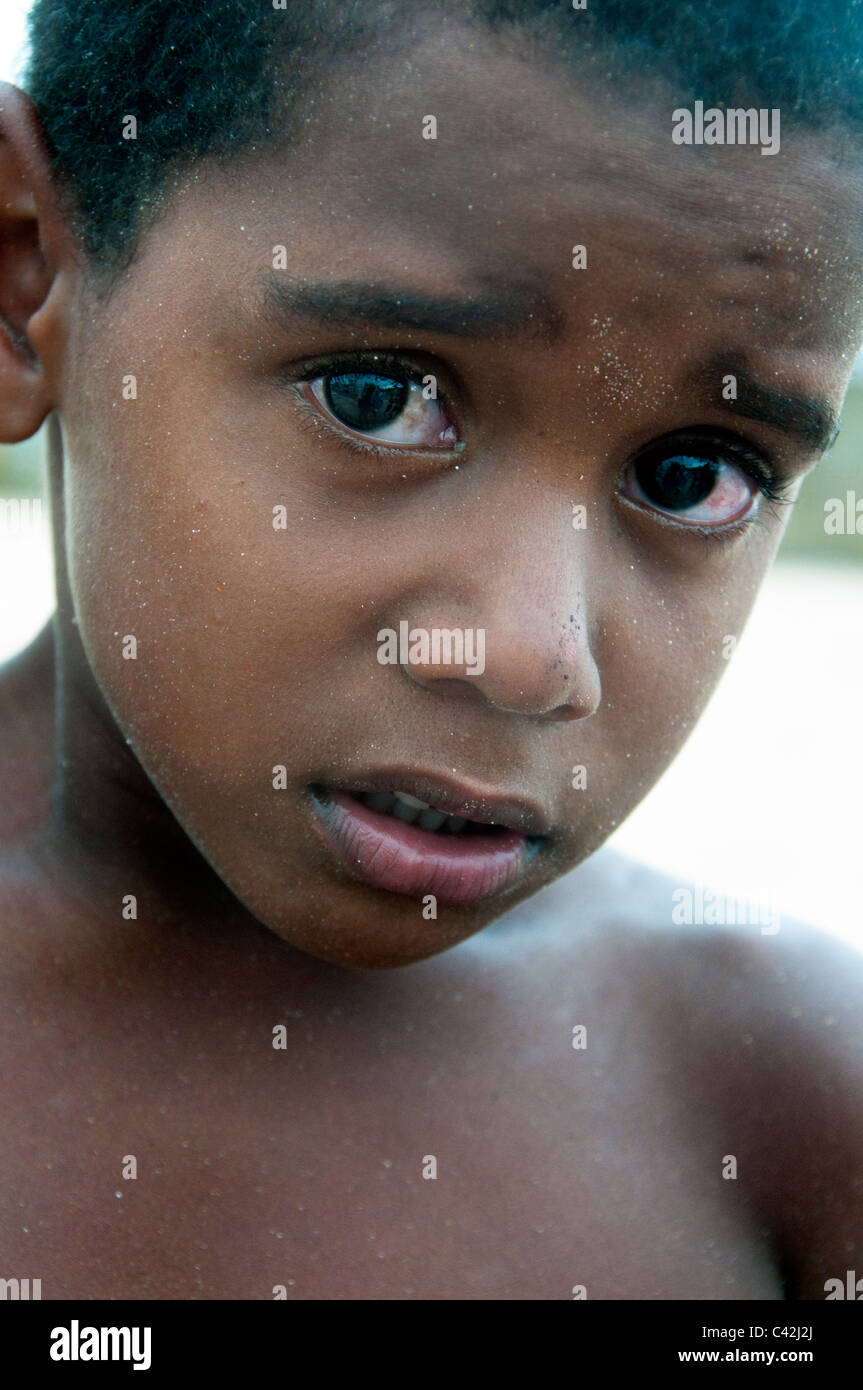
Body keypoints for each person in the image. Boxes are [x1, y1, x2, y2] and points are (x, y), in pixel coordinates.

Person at [0, 0, 861, 1300]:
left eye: (694, 476)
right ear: (24, 284)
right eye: (378, 395)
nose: (529, 655)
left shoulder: (787, 1107)